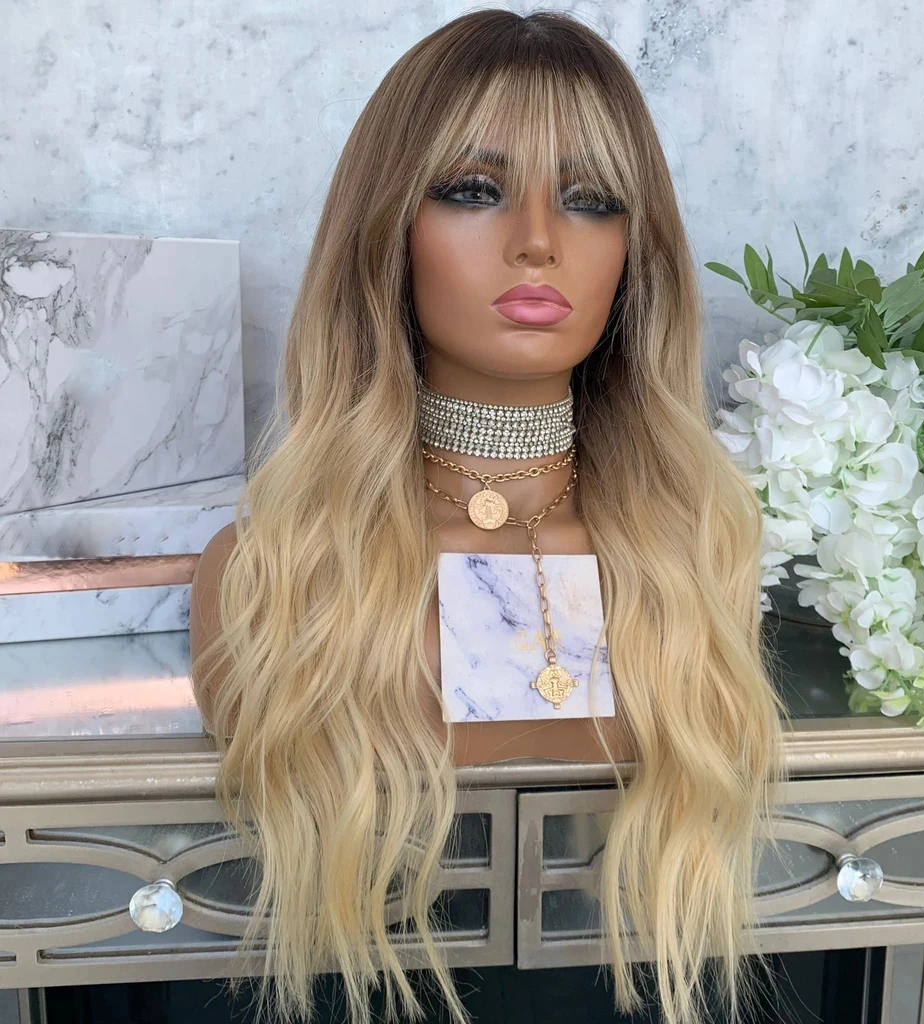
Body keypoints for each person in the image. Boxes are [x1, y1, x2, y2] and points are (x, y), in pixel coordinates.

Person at [190, 9, 786, 1024]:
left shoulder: (693, 559)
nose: (538, 242)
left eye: (591, 200)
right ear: (386, 226)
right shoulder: (275, 576)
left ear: (636, 250)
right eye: (473, 190)